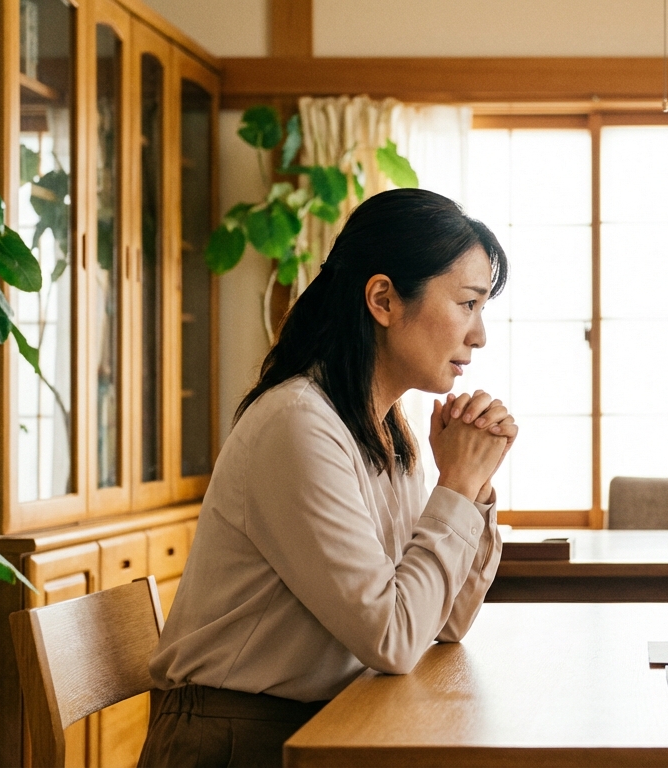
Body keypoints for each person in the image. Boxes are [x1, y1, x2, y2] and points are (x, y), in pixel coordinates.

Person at [140, 189, 517, 768]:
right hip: (233, 739)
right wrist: (458, 488)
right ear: (383, 299)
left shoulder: (388, 430)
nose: (480, 335)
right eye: (468, 303)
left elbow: (444, 622)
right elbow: (393, 639)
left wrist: (474, 483)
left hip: (330, 722)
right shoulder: (298, 424)